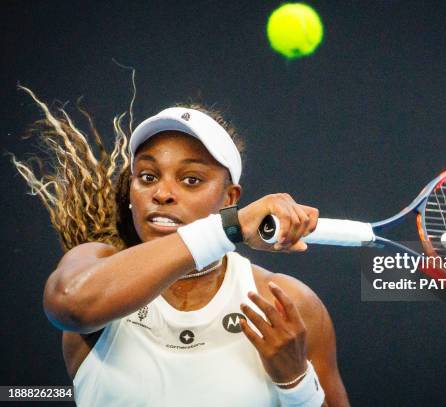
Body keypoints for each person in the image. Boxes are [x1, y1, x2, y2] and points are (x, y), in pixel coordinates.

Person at [11, 87, 350, 406]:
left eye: (191, 180)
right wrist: (230, 226)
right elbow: (69, 305)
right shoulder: (93, 264)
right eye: (147, 176)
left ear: (229, 198)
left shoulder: (284, 301)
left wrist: (296, 384)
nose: (161, 193)